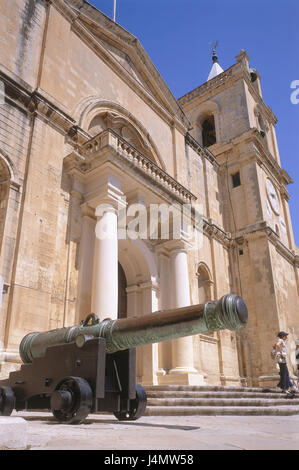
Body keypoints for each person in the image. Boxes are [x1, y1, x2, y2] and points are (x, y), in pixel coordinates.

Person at [274, 331, 295, 396]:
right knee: (285, 374)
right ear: (283, 336)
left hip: (281, 359)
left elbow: (275, 345)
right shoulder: (281, 341)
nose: (286, 337)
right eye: (285, 336)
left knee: (284, 373)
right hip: (282, 359)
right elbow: (277, 345)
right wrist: (281, 353)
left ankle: (283, 388)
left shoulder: (279, 340)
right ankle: (285, 389)